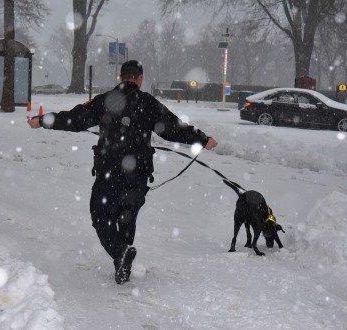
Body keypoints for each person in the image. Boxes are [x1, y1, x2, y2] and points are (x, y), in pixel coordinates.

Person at [28, 60, 217, 284]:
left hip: (109, 170)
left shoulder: (106, 100)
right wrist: (202, 139)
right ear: (139, 78)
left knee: (100, 216)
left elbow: (75, 118)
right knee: (128, 217)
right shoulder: (148, 103)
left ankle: (120, 256)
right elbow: (173, 127)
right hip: (138, 172)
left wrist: (43, 121)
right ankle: (122, 262)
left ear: (120, 77)